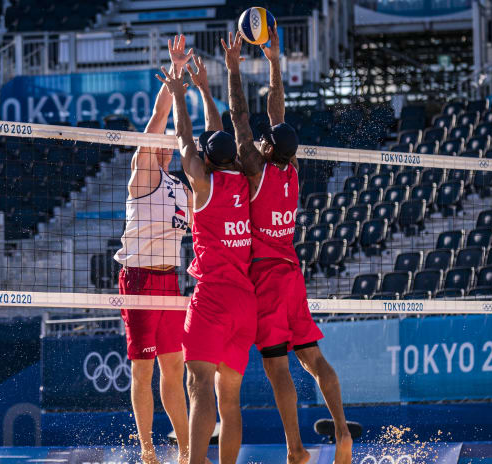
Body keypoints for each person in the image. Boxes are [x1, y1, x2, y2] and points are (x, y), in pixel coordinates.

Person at [223, 29, 353, 464]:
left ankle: (296, 449)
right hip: (292, 274)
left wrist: (234, 68)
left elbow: (241, 116)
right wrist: (275, 62)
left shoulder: (256, 168)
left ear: (268, 148)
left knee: (278, 367)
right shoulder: (291, 169)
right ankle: (340, 433)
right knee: (314, 359)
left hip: (266, 279)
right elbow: (275, 116)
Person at [155, 62, 256, 464]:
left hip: (213, 299)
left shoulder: (203, 183)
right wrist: (204, 90)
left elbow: (184, 139)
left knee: (197, 387)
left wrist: (180, 92)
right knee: (229, 398)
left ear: (207, 161)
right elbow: (217, 138)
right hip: (245, 303)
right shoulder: (246, 180)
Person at [112, 34, 194, 464]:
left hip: (171, 283)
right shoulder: (143, 171)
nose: (167, 141)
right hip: (140, 278)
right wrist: (175, 71)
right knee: (142, 370)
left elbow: (202, 229)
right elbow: (162, 115)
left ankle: (185, 452)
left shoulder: (181, 188)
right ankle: (147, 451)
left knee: (173, 371)